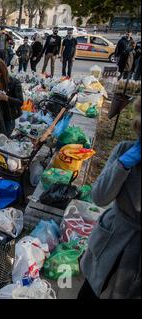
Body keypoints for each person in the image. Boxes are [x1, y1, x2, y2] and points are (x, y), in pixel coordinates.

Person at [78, 97, 141, 299]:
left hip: (135, 258)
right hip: (112, 237)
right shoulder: (125, 150)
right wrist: (122, 166)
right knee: (90, 290)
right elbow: (99, 197)